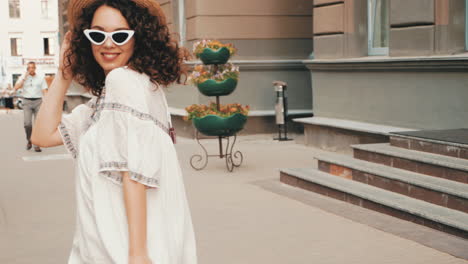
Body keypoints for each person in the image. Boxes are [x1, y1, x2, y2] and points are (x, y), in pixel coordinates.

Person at [31, 0, 197, 263]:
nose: (108, 44)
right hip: (103, 243)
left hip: (117, 247)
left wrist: (138, 254)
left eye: (120, 35)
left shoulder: (124, 83)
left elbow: (134, 173)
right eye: (97, 35)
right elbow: (41, 136)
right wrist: (64, 72)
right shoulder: (109, 101)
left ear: (138, 39)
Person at [14, 61, 49, 152]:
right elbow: (16, 87)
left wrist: (47, 101)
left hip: (38, 102)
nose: (31, 69)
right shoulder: (23, 78)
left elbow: (45, 90)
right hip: (26, 102)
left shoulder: (40, 78)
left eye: (33, 67)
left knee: (38, 125)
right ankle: (29, 140)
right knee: (27, 124)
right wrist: (24, 78)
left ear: (35, 68)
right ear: (27, 69)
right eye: (29, 68)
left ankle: (36, 143)